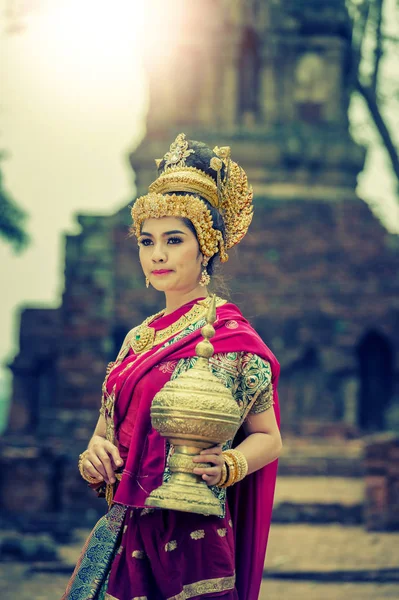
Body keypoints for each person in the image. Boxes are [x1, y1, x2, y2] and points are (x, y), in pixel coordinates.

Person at [62, 134, 282, 600]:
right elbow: (106, 429)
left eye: (174, 240)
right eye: (147, 241)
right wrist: (93, 457)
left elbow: (271, 437)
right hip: (123, 529)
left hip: (192, 538)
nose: (157, 254)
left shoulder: (232, 339)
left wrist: (231, 465)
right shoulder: (138, 337)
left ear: (206, 248)